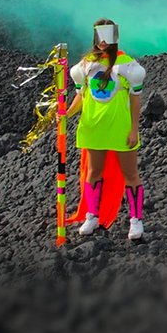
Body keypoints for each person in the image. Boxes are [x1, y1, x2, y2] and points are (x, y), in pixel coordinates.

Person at [66, 19, 147, 241]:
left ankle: (136, 220)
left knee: (130, 174)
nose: (103, 41)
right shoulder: (85, 66)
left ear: (115, 36)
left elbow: (136, 101)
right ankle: (92, 215)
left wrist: (134, 130)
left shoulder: (128, 66)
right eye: (99, 36)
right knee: (93, 173)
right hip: (93, 128)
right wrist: (65, 114)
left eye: (107, 35)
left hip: (120, 129)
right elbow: (81, 96)